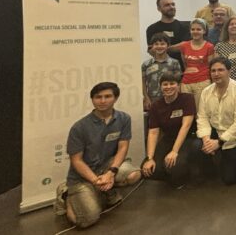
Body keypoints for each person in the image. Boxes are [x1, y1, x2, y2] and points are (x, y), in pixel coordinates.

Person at [54, 82, 141, 228]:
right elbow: (77, 161)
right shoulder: (79, 127)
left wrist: (111, 173)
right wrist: (97, 181)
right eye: (98, 97)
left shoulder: (124, 119)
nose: (102, 101)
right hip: (82, 177)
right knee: (86, 220)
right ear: (92, 99)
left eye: (107, 96)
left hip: (107, 167)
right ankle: (65, 194)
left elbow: (123, 147)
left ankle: (106, 192)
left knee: (134, 174)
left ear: (115, 98)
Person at [195, 58, 236, 185]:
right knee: (196, 147)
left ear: (229, 72)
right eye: (213, 71)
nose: (216, 74)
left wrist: (219, 142)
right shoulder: (206, 92)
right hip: (214, 132)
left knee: (230, 179)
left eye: (220, 70)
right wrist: (207, 141)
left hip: (234, 138)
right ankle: (212, 163)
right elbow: (202, 118)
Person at [141, 71, 197, 188]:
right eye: (165, 84)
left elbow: (185, 126)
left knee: (174, 166)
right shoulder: (156, 106)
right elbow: (153, 132)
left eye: (172, 83)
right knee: (149, 169)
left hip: (188, 138)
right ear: (161, 87)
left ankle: (187, 174)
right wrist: (149, 158)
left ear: (178, 85)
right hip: (168, 139)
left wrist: (174, 152)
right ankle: (171, 174)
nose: (168, 87)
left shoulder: (187, 99)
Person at [173, 18, 215, 108]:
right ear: (190, 31)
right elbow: (185, 64)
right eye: (193, 29)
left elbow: (211, 66)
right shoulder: (184, 46)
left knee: (201, 110)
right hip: (186, 82)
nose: (195, 32)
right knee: (187, 110)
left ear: (204, 31)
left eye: (198, 29)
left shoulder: (209, 46)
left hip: (203, 81)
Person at [146, 0, 190, 67]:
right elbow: (151, 51)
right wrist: (175, 47)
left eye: (173, 4)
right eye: (167, 5)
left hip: (183, 68)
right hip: (161, 68)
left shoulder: (186, 26)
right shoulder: (152, 29)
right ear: (159, 9)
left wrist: (161, 49)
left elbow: (186, 45)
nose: (171, 7)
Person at [141, 32, 181, 111]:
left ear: (168, 45)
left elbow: (178, 82)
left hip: (171, 98)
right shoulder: (146, 64)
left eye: (162, 44)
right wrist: (146, 98)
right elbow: (143, 82)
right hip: (153, 100)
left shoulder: (174, 63)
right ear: (152, 46)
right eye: (156, 44)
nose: (159, 46)